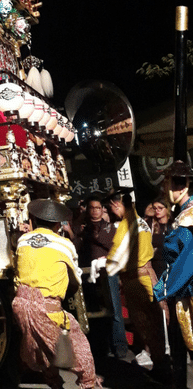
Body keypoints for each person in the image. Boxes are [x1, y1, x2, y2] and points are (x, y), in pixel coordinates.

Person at [12, 198, 99, 389]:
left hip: (20, 306)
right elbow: (75, 279)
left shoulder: (23, 240)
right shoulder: (64, 244)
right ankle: (89, 385)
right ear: (57, 224)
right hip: (47, 308)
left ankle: (55, 384)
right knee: (79, 348)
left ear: (34, 220)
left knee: (43, 351)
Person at [105, 187, 169, 378]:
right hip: (148, 276)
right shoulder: (142, 222)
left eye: (111, 208)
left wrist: (103, 266)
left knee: (146, 325)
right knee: (155, 323)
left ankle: (162, 369)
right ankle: (162, 367)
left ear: (116, 204)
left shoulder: (126, 225)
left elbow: (114, 260)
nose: (111, 212)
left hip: (136, 280)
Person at [71, 193, 128, 359]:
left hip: (107, 273)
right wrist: (79, 227)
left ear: (102, 209)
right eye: (91, 208)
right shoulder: (81, 228)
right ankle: (99, 347)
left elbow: (108, 243)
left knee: (115, 310)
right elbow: (75, 246)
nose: (95, 211)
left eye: (98, 207)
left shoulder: (109, 226)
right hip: (87, 275)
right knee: (92, 311)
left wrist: (90, 234)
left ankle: (119, 345)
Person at [154, 160, 193, 350]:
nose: (164, 188)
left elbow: (186, 261)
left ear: (180, 186)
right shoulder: (185, 213)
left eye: (166, 182)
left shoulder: (188, 218)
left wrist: (163, 287)